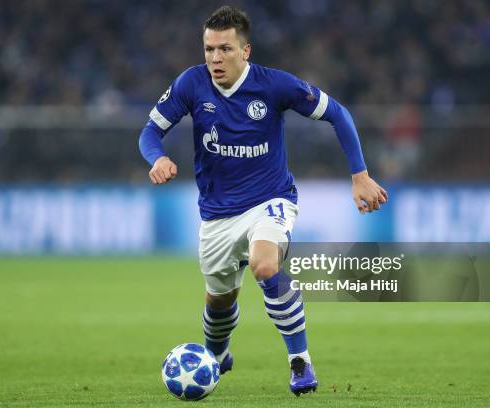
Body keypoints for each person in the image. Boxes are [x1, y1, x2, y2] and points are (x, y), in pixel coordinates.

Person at [139, 5, 388, 396]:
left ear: (246, 50)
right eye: (208, 49)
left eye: (225, 49)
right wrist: (159, 158)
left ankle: (299, 362)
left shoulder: (274, 86)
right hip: (217, 214)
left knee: (264, 264)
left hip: (270, 200)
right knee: (219, 301)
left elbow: (337, 113)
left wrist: (360, 174)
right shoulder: (191, 84)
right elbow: (149, 133)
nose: (215, 58)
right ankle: (216, 355)